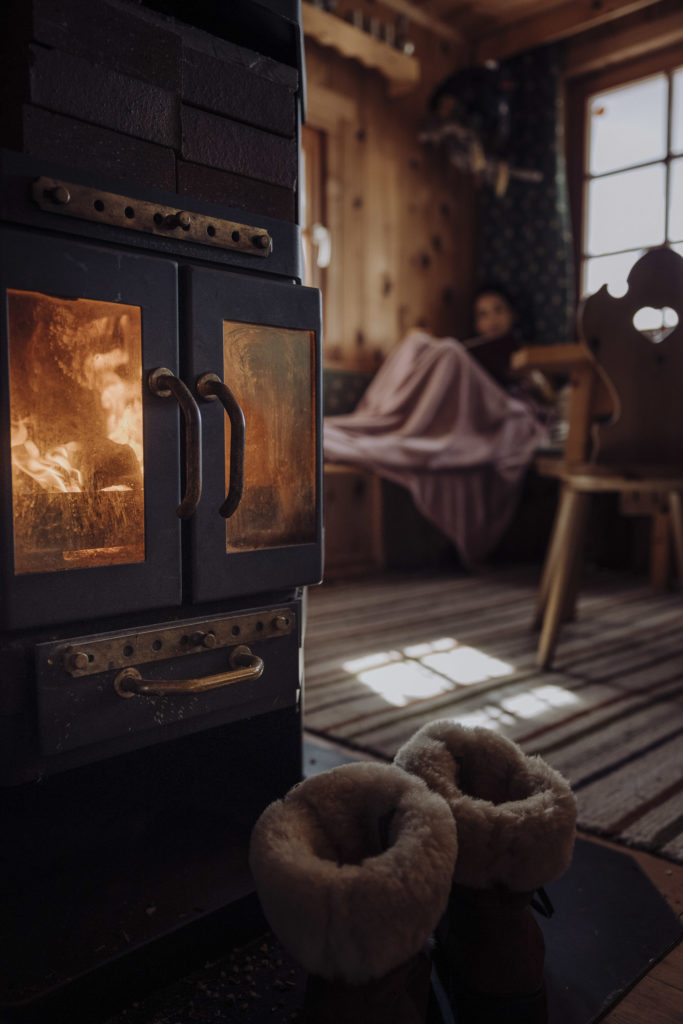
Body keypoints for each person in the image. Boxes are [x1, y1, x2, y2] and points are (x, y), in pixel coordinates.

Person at [323, 287, 550, 566]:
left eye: (498, 310)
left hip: (496, 409)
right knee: (421, 342)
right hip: (463, 407)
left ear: (512, 314)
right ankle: (399, 426)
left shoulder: (530, 357)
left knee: (449, 351)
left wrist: (532, 380)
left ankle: (415, 435)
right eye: (483, 314)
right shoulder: (474, 353)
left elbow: (543, 404)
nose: (491, 320)